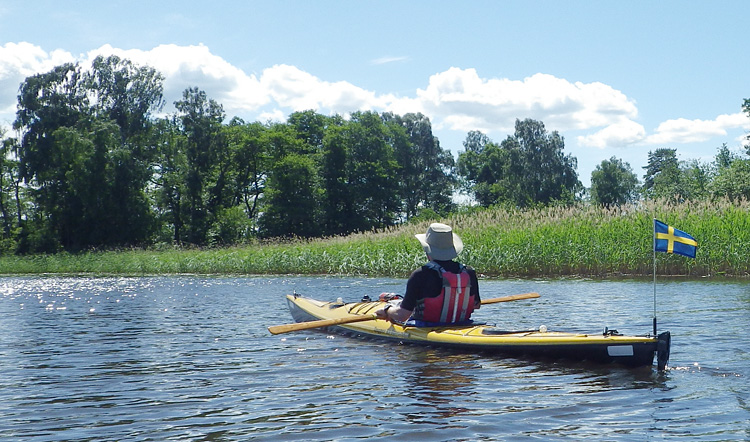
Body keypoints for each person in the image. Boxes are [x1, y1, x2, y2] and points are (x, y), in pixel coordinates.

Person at [376, 223, 480, 325]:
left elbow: (402, 315)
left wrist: (387, 310)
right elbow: (476, 305)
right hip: (461, 324)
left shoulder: (420, 274)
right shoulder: (469, 272)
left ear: (427, 249)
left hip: (427, 327)